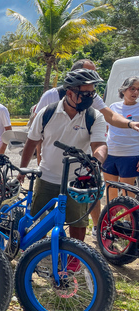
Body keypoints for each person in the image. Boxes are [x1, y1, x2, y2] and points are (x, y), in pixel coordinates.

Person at [33, 59, 139, 237]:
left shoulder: (91, 96)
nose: (94, 78)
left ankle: (97, 228)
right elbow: (36, 133)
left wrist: (129, 124)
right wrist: (39, 163)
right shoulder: (51, 96)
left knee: (89, 201)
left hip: (79, 166)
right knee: (41, 213)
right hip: (49, 167)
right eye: (90, 73)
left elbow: (110, 116)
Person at [18, 68, 108, 245]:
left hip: (76, 181)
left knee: (78, 224)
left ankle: (73, 261)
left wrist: (96, 160)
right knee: (38, 222)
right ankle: (36, 255)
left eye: (92, 93)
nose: (90, 98)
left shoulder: (94, 117)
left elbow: (100, 145)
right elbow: (31, 142)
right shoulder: (46, 113)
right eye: (85, 94)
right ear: (69, 93)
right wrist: (22, 169)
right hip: (47, 176)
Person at [102, 76, 139, 200]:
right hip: (111, 154)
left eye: (138, 90)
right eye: (132, 88)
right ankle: (111, 218)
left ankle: (129, 219)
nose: (136, 92)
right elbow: (105, 130)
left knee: (127, 193)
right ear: (123, 90)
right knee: (110, 190)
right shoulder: (113, 107)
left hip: (130, 155)